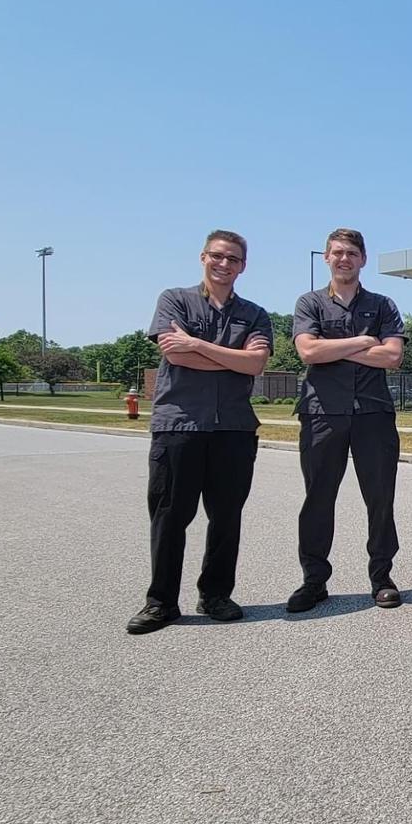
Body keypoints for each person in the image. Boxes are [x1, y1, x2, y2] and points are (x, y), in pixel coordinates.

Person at [128, 230, 272, 634]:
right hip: (180, 425)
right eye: (217, 257)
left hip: (234, 429)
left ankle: (215, 595)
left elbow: (255, 365)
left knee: (226, 517)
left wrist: (198, 346)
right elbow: (173, 352)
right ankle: (161, 603)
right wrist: (228, 356)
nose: (224, 265)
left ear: (243, 266)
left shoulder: (255, 315)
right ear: (203, 257)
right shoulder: (174, 299)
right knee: (170, 517)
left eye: (233, 259)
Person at [286, 228, 407, 613]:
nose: (344, 259)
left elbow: (392, 357)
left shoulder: (383, 305)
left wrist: (333, 350)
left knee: (380, 498)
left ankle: (381, 577)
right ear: (326, 258)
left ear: (363, 259)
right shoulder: (310, 303)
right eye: (337, 252)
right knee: (318, 499)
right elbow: (307, 351)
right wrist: (363, 342)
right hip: (323, 412)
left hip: (373, 412)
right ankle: (314, 580)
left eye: (351, 253)